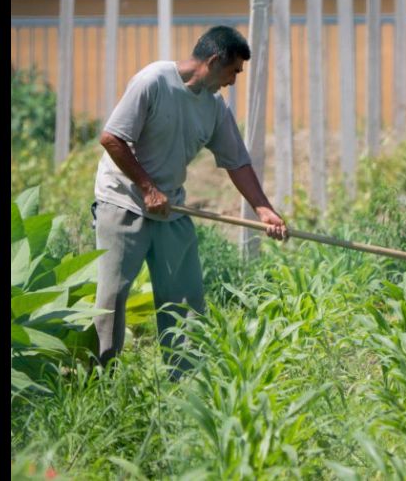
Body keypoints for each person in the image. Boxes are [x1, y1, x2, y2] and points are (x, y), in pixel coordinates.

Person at [92, 25, 286, 379]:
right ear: (213, 62)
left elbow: (237, 161)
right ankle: (101, 384)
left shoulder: (214, 107)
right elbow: (113, 138)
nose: (233, 82)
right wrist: (148, 188)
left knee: (185, 301)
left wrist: (264, 209)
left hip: (170, 208)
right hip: (122, 201)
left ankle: (186, 386)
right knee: (112, 299)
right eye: (233, 72)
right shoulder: (153, 81)